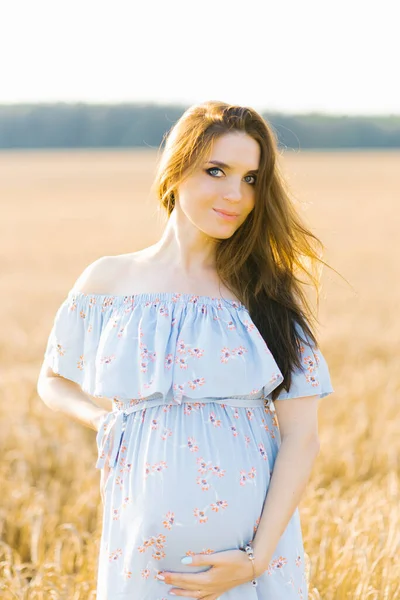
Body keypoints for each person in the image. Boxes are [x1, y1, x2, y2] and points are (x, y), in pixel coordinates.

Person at [37, 100, 335, 599]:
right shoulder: (110, 279)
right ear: (175, 170)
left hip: (246, 558)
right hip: (140, 547)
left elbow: (301, 439)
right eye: (216, 170)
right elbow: (53, 378)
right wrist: (102, 420)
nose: (236, 194)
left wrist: (255, 561)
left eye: (251, 179)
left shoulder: (265, 294)